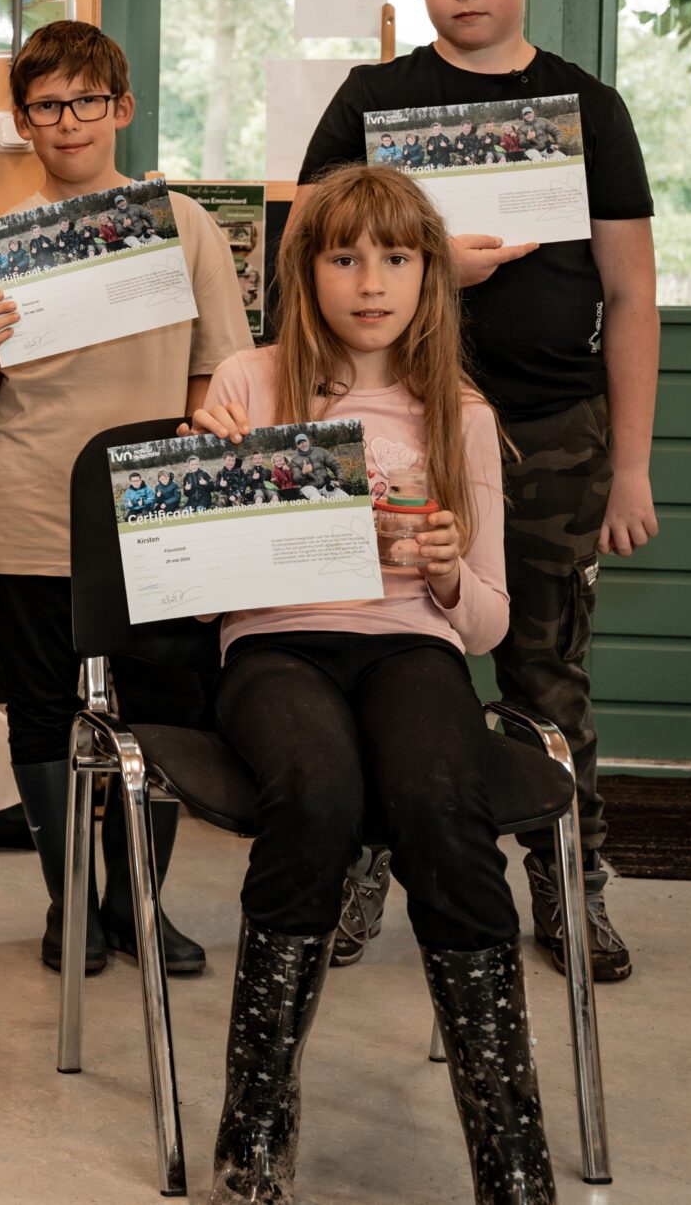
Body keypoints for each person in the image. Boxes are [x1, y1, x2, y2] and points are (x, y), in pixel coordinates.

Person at [299, 0, 657, 981]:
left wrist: (632, 465)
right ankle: (368, 868)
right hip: (391, 423)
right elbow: (302, 258)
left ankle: (570, 888)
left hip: (553, 434)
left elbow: (632, 294)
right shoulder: (371, 101)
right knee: (384, 659)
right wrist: (428, 267)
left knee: (546, 678)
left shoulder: (586, 108)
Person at [185, 162, 553, 1205]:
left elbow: (487, 621)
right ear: (303, 273)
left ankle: (511, 1155)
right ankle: (254, 1130)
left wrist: (444, 570)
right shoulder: (245, 384)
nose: (369, 282)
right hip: (274, 644)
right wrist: (202, 481)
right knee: (317, 795)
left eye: (395, 258)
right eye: (343, 258)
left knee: (444, 808)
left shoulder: (459, 415)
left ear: (431, 276)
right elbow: (196, 594)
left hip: (411, 648)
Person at [0, 21, 251, 978]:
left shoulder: (181, 221)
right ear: (23, 121)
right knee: (39, 709)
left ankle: (138, 903)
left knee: (166, 705)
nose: (68, 119)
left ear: (121, 109)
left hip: (154, 511)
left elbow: (223, 375)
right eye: (47, 104)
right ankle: (68, 904)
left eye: (87, 100)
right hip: (31, 502)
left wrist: (195, 478)